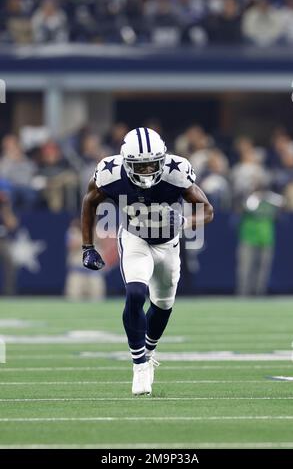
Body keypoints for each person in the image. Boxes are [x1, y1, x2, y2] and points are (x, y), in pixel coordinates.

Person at [81, 127, 213, 395]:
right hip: (135, 239)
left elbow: (207, 210)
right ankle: (139, 363)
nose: (147, 171)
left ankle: (149, 351)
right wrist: (87, 246)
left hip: (168, 244)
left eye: (152, 164)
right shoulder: (110, 172)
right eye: (140, 166)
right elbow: (89, 201)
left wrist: (186, 222)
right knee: (135, 292)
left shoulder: (176, 172)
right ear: (126, 163)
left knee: (163, 306)